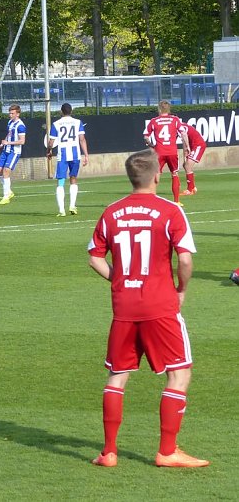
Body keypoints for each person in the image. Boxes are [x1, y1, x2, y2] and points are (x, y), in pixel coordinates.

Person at [88, 148, 208, 469]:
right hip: (160, 305)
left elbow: (94, 257)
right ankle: (167, 451)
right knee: (179, 374)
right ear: (157, 175)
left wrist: (119, 279)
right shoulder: (171, 211)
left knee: (117, 376)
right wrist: (181, 289)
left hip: (124, 307)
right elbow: (184, 259)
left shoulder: (111, 212)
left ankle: (109, 452)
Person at [46, 103, 89, 217]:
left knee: (60, 181)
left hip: (63, 156)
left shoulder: (56, 124)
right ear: (71, 111)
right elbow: (82, 139)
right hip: (75, 155)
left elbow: (51, 142)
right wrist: (86, 155)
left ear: (61, 111)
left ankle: (61, 210)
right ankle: (72, 206)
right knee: (73, 179)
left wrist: (49, 150)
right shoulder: (78, 122)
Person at [143, 100, 188, 204]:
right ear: (169, 109)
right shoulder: (175, 120)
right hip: (172, 151)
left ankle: (150, 199)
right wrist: (187, 147)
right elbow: (184, 133)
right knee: (174, 174)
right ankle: (176, 201)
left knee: (156, 174)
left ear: (159, 109)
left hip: (159, 152)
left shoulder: (154, 121)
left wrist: (151, 145)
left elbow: (146, 136)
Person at [0, 104, 26, 205]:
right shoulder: (10, 122)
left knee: (6, 171)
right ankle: (9, 191)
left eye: (12, 113)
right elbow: (9, 134)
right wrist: (2, 144)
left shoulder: (21, 126)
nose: (10, 115)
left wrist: (8, 143)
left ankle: (6, 196)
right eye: (9, 113)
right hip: (6, 150)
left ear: (18, 114)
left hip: (14, 151)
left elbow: (22, 141)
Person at [179, 122, 206, 196]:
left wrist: (185, 151)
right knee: (186, 166)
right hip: (193, 146)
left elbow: (185, 140)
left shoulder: (181, 127)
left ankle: (190, 190)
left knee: (187, 166)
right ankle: (193, 187)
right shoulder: (180, 127)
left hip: (198, 145)